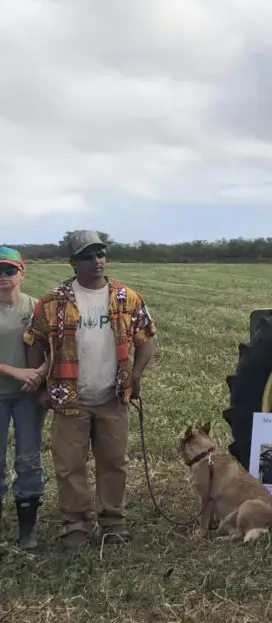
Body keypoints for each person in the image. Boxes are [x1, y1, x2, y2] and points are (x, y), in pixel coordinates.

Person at [22, 230, 157, 548]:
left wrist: (135, 377)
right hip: (70, 399)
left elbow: (147, 339)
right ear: (73, 263)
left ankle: (113, 521)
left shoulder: (127, 297)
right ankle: (77, 524)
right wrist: (40, 387)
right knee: (70, 465)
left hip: (112, 398)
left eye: (100, 253)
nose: (97, 261)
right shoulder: (51, 303)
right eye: (87, 256)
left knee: (113, 462)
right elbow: (34, 340)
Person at [0, 247, 45, 549]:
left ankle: (27, 532)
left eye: (8, 270)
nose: (3, 277)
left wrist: (40, 373)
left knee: (29, 461)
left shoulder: (37, 308)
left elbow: (55, 347)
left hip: (28, 398)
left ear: (21, 272)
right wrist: (17, 372)